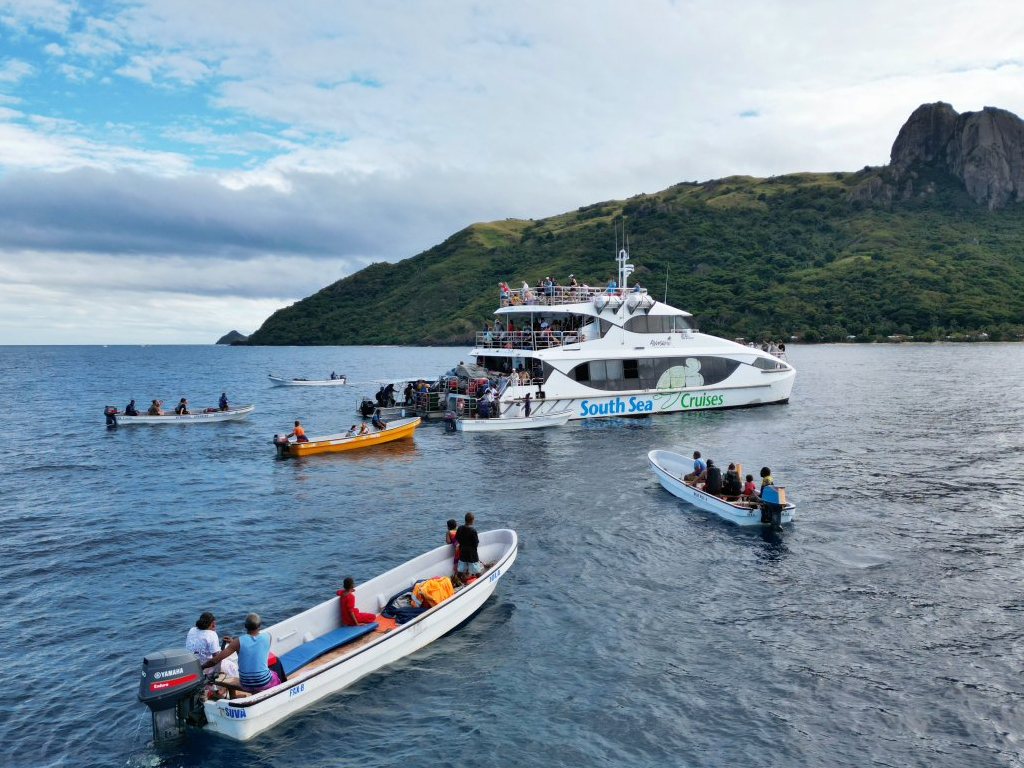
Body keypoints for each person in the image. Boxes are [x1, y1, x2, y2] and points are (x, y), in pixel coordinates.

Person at [202, 613, 280, 693]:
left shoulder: (237, 642)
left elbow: (215, 660)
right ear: (259, 625)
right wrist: (234, 643)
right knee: (276, 672)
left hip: (246, 683)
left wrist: (202, 666)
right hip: (263, 682)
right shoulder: (268, 636)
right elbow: (254, 647)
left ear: (245, 626)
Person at [186, 611, 237, 686]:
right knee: (232, 667)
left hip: (193, 664)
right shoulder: (211, 634)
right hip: (206, 666)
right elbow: (216, 659)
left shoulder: (192, 630)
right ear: (212, 623)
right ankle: (221, 689)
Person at [456, 512, 482, 581]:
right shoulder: (473, 531)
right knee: (477, 571)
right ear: (472, 520)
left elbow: (457, 538)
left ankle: (454, 583)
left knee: (460, 571)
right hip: (471, 554)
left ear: (465, 520)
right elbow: (476, 543)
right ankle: (482, 581)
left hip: (462, 552)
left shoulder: (459, 528)